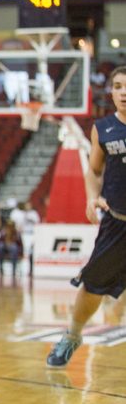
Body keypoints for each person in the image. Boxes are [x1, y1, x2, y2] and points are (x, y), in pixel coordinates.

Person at [46, 66, 126, 367]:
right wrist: (92, 197)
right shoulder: (103, 128)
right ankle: (72, 336)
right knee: (93, 286)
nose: (124, 92)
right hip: (117, 223)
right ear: (112, 92)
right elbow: (93, 171)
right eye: (118, 86)